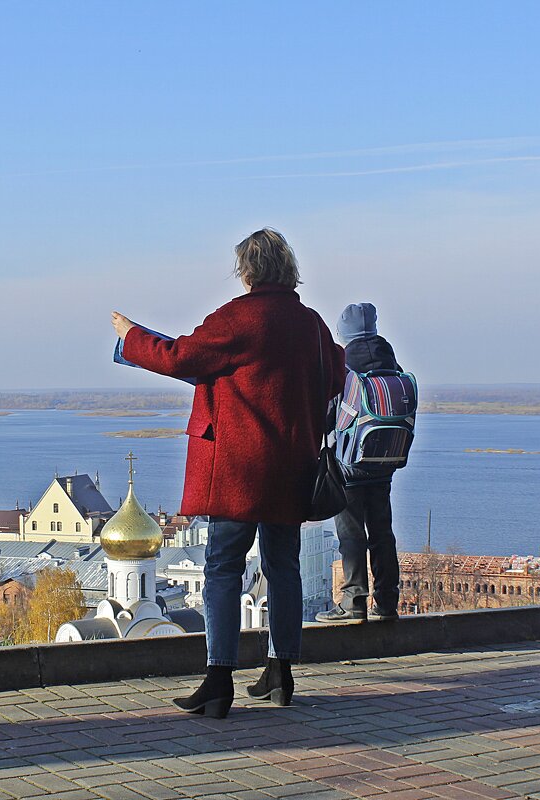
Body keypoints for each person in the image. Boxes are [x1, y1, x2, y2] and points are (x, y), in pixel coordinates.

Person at [111, 228, 343, 718]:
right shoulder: (311, 324)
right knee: (284, 568)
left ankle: (218, 682)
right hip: (291, 468)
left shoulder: (238, 317)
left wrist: (131, 336)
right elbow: (337, 376)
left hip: (237, 470)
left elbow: (180, 357)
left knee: (222, 569)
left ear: (248, 270)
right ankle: (281, 674)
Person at [316, 302, 403, 623]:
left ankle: (353, 602)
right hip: (385, 461)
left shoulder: (343, 368)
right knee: (383, 532)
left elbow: (326, 416)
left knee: (351, 535)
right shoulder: (391, 364)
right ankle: (388, 602)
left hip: (349, 464)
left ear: (344, 334)